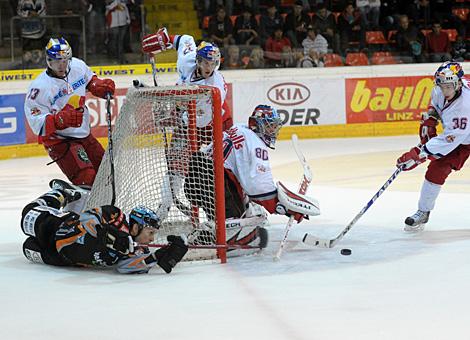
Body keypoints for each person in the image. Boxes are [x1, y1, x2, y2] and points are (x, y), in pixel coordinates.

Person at [184, 105, 320, 235]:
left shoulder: (239, 128)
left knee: (241, 204)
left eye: (274, 126)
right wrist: (283, 207)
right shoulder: (256, 145)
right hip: (211, 179)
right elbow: (259, 187)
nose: (273, 131)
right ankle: (210, 236)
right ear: (256, 124)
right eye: (269, 126)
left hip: (196, 175)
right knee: (236, 227)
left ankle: (214, 228)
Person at [21, 179, 188, 274]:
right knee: (26, 216)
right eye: (150, 232)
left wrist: (158, 256)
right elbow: (86, 219)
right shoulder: (115, 216)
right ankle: (62, 193)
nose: (152, 239)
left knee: (27, 247)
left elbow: (124, 268)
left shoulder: (138, 250)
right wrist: (109, 236)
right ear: (136, 227)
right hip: (57, 229)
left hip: (60, 259)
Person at [24, 37, 116, 190]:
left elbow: (90, 81)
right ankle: (83, 213)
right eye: (56, 61)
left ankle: (104, 211)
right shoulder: (39, 88)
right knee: (87, 180)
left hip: (84, 135)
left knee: (107, 174)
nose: (61, 65)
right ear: (48, 60)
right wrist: (59, 120)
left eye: (64, 60)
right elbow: (36, 124)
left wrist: (97, 85)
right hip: (60, 141)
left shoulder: (78, 66)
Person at [396, 61, 470, 232]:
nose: (445, 91)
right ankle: (423, 212)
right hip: (461, 135)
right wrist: (431, 119)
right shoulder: (440, 89)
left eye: (449, 87)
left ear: (458, 83)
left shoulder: (464, 107)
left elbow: (448, 140)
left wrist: (419, 154)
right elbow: (435, 108)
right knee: (437, 169)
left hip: (461, 135)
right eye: (442, 86)